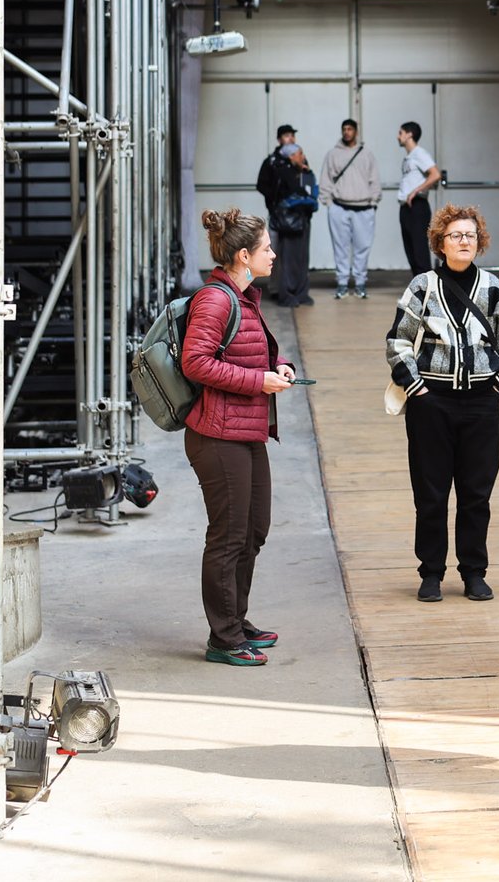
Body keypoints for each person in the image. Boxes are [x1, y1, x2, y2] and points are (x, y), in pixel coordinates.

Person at [386, 205, 499, 603]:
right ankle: (430, 573)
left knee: (476, 494)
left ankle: (473, 572)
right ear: (440, 243)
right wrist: (417, 390)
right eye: (455, 236)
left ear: (479, 242)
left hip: (482, 404)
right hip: (432, 405)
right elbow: (398, 340)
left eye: (470, 235)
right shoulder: (422, 286)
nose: (464, 241)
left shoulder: (493, 287)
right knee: (430, 494)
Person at [181, 207, 300, 667]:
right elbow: (196, 362)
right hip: (217, 435)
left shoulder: (243, 295)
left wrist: (278, 366)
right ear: (244, 255)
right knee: (228, 537)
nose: (274, 253)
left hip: (245, 429)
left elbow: (248, 350)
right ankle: (224, 638)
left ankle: (236, 619)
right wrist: (259, 383)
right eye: (267, 248)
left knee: (253, 531)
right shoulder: (216, 299)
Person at [321, 118, 380, 299]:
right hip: (339, 207)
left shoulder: (366, 154)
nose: (347, 132)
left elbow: (374, 179)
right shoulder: (333, 154)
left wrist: (373, 201)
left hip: (364, 207)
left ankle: (360, 283)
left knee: (363, 247)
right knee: (341, 248)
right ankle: (342, 283)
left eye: (350, 129)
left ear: (356, 131)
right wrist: (328, 202)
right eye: (344, 129)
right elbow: (326, 178)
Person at [257, 131, 317, 307]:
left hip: (303, 218)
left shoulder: (302, 170)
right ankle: (286, 293)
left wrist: (305, 173)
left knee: (302, 258)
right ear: (292, 156)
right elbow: (293, 192)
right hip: (288, 221)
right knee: (287, 259)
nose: (303, 157)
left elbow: (310, 189)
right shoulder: (279, 168)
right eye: (300, 154)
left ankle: (301, 293)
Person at [396, 122, 441, 275]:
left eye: (401, 133)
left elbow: (435, 174)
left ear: (409, 134)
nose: (398, 136)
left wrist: (416, 191)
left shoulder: (419, 153)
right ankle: (419, 292)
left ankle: (428, 293)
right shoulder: (409, 157)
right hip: (406, 207)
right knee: (411, 253)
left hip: (417, 206)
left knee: (419, 251)